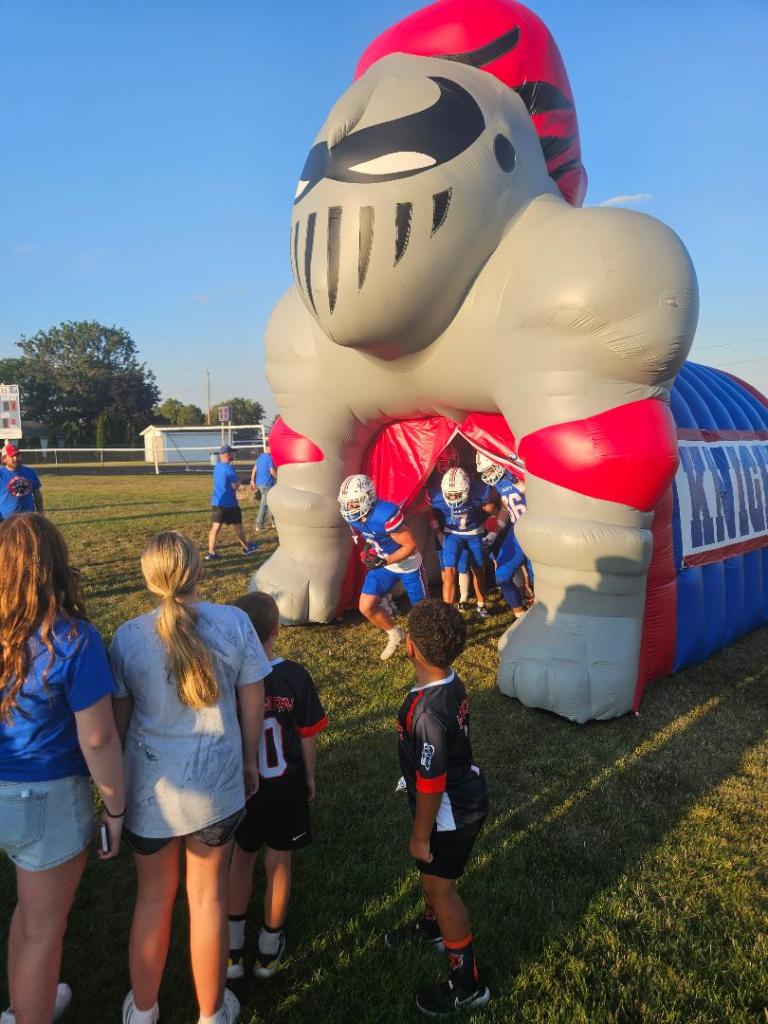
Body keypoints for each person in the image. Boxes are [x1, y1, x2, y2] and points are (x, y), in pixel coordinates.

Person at [109, 532, 270, 1024]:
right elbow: (253, 705)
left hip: (149, 794)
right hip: (216, 788)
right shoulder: (236, 623)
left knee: (152, 900)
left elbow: (118, 724)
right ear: (200, 572)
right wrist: (248, 762)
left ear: (148, 577)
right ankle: (210, 1013)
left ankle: (144, 1009)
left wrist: (112, 791)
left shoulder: (127, 637)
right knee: (208, 901)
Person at [0, 514, 124, 1024]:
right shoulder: (73, 639)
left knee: (28, 918)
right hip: (45, 801)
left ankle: (28, 1002)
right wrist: (115, 806)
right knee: (40, 929)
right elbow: (98, 737)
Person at [386, 600, 490, 1016]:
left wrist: (419, 834)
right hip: (461, 796)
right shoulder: (450, 680)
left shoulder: (424, 712)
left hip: (448, 811)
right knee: (434, 879)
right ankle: (432, 926)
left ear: (410, 647)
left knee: (441, 889)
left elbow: (431, 784)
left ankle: (467, 984)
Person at [226, 591, 328, 981]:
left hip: (242, 785)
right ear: (277, 631)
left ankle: (233, 951)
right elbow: (307, 736)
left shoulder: (228, 678)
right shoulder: (295, 677)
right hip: (284, 785)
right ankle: (268, 949)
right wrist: (309, 776)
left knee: (242, 857)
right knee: (279, 861)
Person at [337, 474, 427, 661]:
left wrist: (384, 561)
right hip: (384, 565)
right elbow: (371, 535)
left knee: (422, 611)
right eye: (346, 503)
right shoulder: (355, 516)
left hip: (407, 565)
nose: (348, 508)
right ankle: (395, 634)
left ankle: (427, 643)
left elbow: (411, 546)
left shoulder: (384, 514)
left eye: (353, 503)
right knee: (366, 606)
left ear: (368, 498)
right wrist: (369, 548)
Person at [427, 467, 492, 618]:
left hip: (474, 533)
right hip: (452, 534)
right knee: (449, 571)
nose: (453, 498)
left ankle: (481, 604)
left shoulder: (480, 491)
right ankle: (446, 613)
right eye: (450, 494)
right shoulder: (436, 496)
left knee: (478, 570)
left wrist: (491, 512)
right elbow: (423, 509)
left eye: (457, 494)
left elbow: (494, 502)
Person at [476, 454, 533, 617]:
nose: (489, 474)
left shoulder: (519, 470)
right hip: (517, 532)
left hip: (538, 530)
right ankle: (520, 614)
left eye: (491, 468)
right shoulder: (501, 481)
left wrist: (519, 482)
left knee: (540, 578)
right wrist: (495, 532)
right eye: (486, 470)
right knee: (502, 576)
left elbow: (540, 492)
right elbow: (505, 508)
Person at [207, 446, 258, 561]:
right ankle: (247, 548)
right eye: (232, 453)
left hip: (217, 502)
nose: (234, 455)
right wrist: (241, 481)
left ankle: (211, 552)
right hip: (230, 504)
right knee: (238, 526)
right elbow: (234, 486)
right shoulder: (229, 469)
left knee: (215, 528)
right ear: (227, 455)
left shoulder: (217, 467)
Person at [0, 444, 43, 519]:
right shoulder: (1, 474)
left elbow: (37, 495)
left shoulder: (30, 472)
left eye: (17, 455)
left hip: (28, 519)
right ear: (4, 459)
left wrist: (40, 513)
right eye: (12, 456)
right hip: (5, 521)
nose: (16, 458)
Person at [249, 443, 276, 531]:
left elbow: (254, 469)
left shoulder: (260, 457)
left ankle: (274, 523)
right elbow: (272, 472)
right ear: (268, 448)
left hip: (259, 484)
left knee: (270, 503)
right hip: (267, 485)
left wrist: (252, 480)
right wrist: (280, 478)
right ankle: (259, 525)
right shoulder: (269, 458)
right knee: (264, 505)